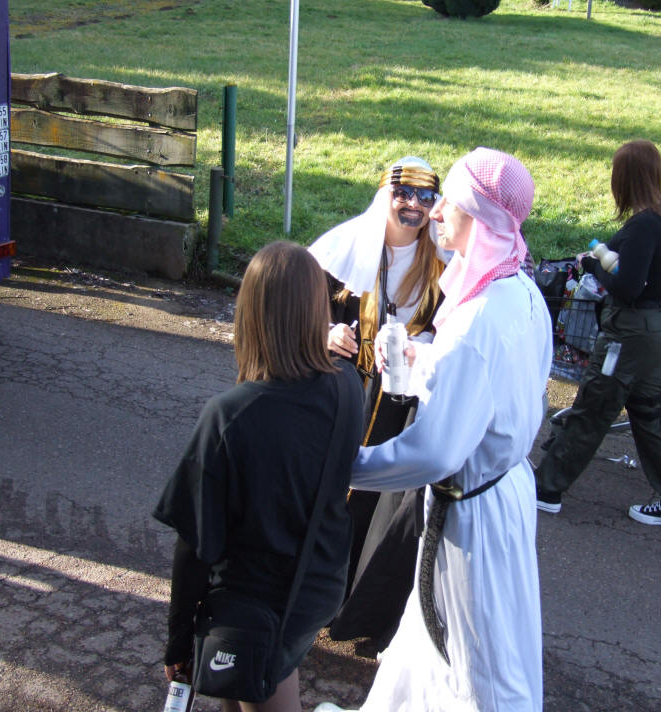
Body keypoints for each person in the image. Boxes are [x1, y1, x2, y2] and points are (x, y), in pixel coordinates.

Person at [315, 147, 552, 711]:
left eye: (450, 202)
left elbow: (434, 452)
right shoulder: (521, 292)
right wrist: (432, 367)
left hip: (474, 509)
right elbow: (507, 389)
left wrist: (342, 466)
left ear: (478, 216)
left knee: (482, 663)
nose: (436, 210)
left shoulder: (477, 320)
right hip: (502, 488)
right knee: (423, 644)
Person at [153, 242, 364, 712]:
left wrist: (178, 642)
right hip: (320, 581)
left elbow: (195, 547)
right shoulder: (347, 383)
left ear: (251, 311)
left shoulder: (230, 416)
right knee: (241, 687)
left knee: (260, 679)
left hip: (260, 602)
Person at [308, 156, 449, 649]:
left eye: (426, 197)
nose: (413, 205)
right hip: (345, 397)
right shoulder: (344, 247)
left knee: (385, 511)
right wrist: (323, 334)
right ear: (384, 194)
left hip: (405, 407)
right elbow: (292, 308)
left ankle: (362, 613)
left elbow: (455, 330)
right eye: (403, 194)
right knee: (330, 499)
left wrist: (425, 348)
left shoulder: (443, 261)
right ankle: (313, 601)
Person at [534, 139, 661, 530]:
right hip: (660, 326)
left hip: (631, 332)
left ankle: (546, 488)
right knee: (647, 410)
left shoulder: (642, 224)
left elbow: (628, 286)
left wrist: (593, 266)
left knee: (594, 406)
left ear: (623, 179)